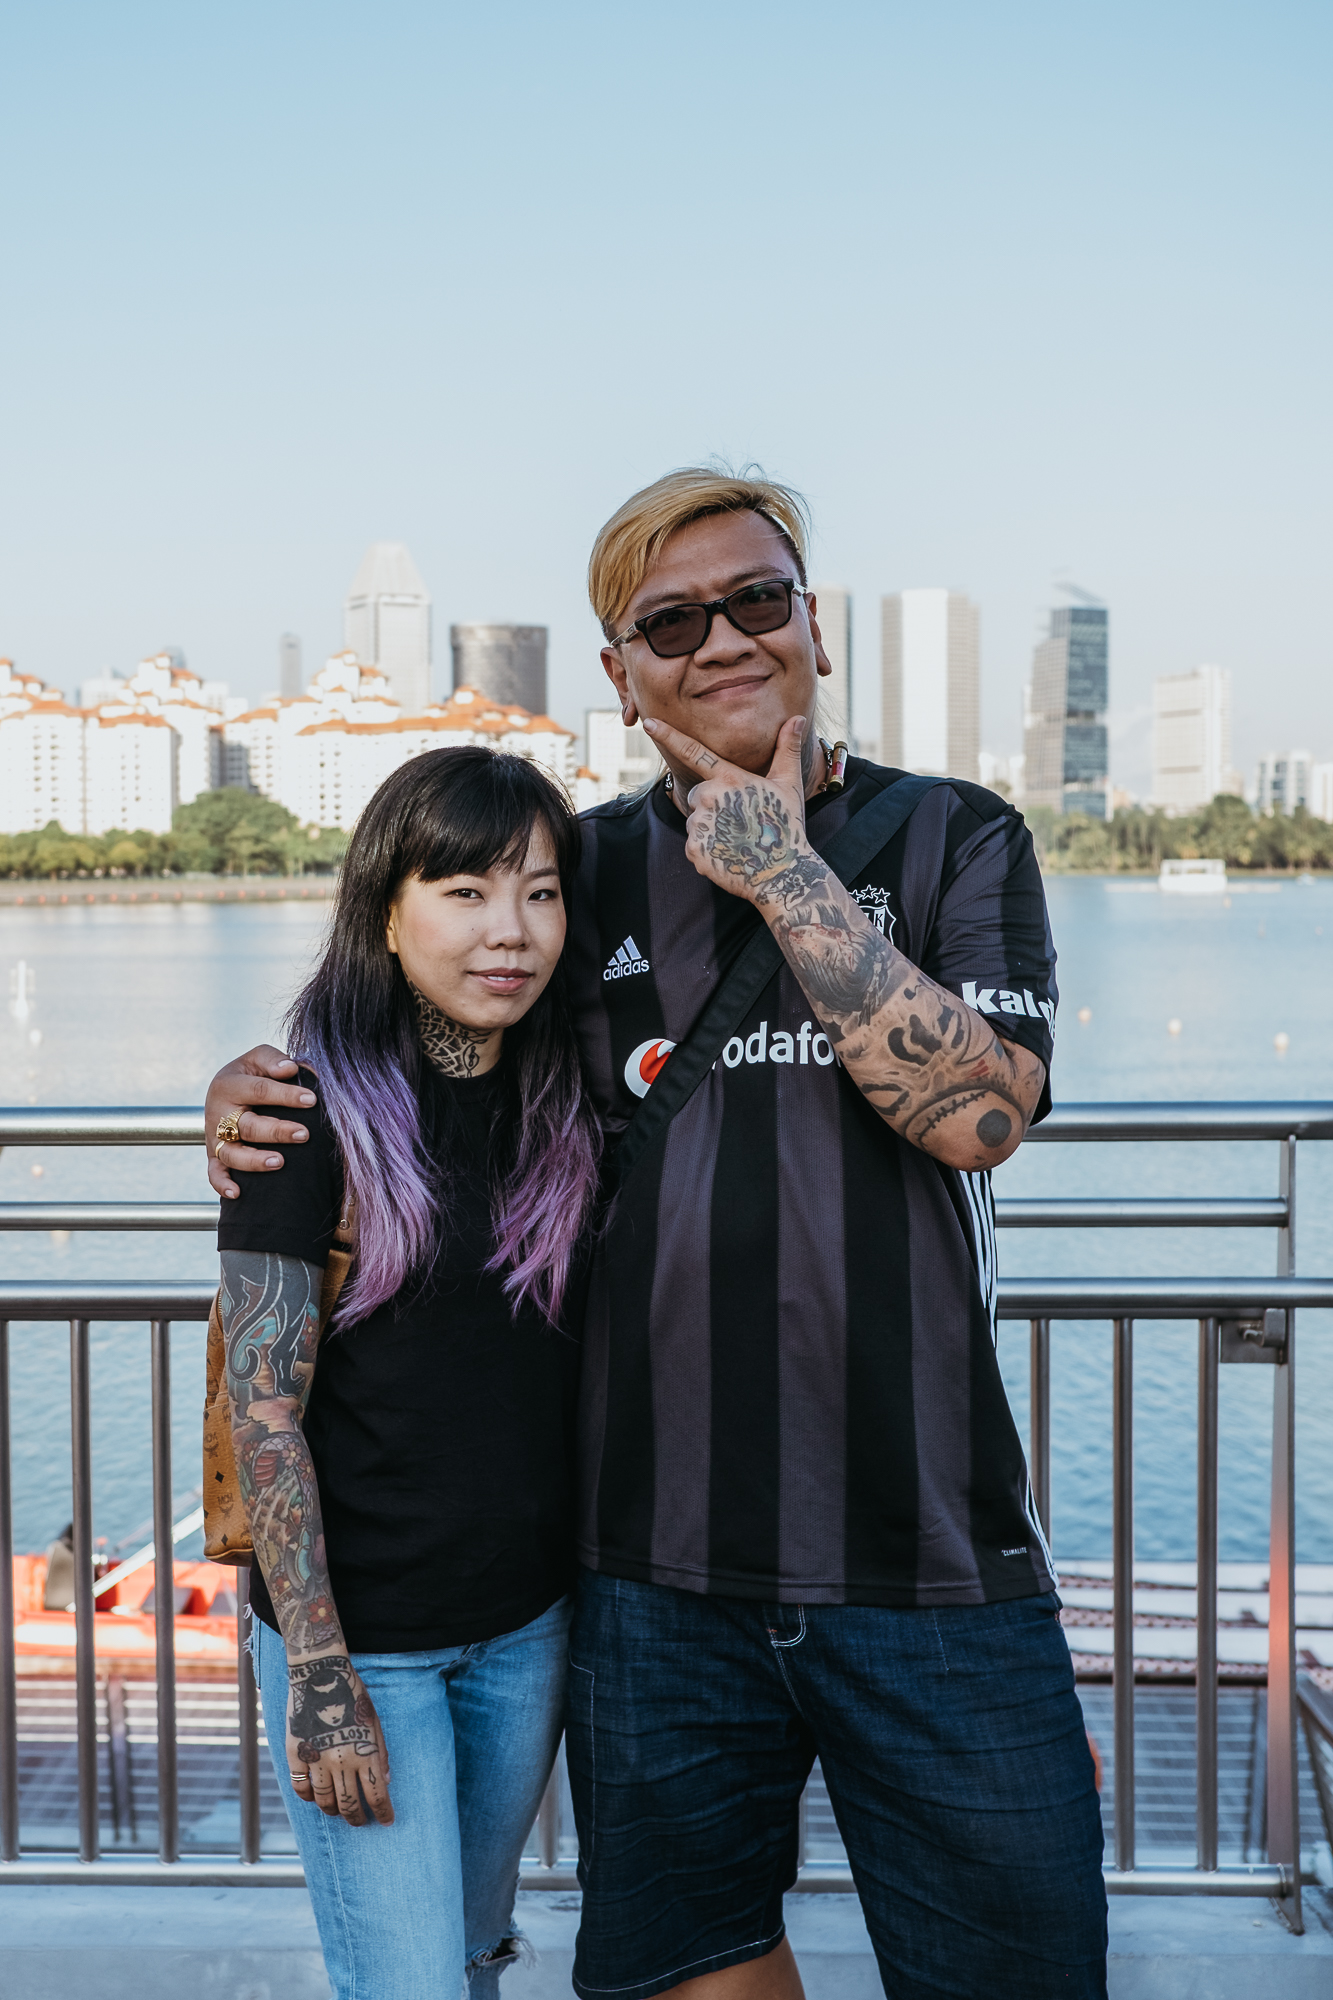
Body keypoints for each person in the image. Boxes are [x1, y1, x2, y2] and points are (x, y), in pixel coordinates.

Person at [209, 467, 1107, 2000]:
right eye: (671, 623)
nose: (723, 640)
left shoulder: (955, 835)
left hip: (932, 1557)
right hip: (650, 1575)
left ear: (814, 625)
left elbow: (978, 1117)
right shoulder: (586, 870)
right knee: (688, 1965)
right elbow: (427, 1040)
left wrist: (781, 870)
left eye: (757, 599)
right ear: (621, 675)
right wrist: (254, 1095)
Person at [217, 746, 600, 2000]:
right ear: (386, 910)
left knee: (474, 1950)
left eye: (539, 892)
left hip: (526, 1627)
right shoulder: (303, 1117)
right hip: (365, 1644)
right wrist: (319, 1670)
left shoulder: (569, 1104)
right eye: (465, 891)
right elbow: (263, 1414)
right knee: (407, 1982)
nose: (510, 930)